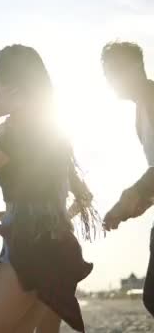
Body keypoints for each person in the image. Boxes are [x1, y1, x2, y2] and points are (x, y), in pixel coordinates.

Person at [0, 44, 99, 333]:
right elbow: (49, 192)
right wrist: (3, 214)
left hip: (28, 250)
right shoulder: (50, 131)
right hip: (59, 250)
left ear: (8, 85)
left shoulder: (22, 133)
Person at [101, 41, 154, 315]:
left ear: (133, 68)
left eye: (112, 73)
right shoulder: (139, 113)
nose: (109, 82)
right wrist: (129, 209)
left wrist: (128, 198)